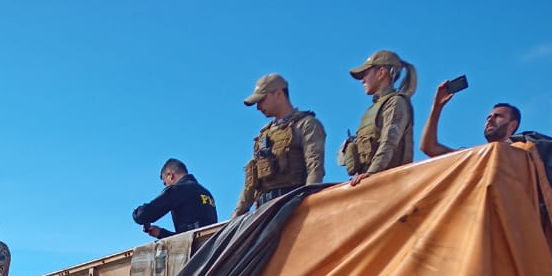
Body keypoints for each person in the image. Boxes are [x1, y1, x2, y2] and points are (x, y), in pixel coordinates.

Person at [234, 73, 327, 215]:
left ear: (278, 94)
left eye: (262, 100)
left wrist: (309, 205)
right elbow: (251, 184)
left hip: (292, 205)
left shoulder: (305, 124)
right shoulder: (263, 136)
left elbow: (314, 168)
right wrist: (236, 216)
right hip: (264, 211)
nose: (258, 107)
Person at [342, 50, 418, 186]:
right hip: (374, 184)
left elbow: (389, 143)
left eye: (365, 73)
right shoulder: (374, 109)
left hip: (391, 185)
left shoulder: (395, 103)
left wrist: (372, 174)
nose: (362, 80)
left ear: (381, 73)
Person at [420, 84, 521, 156]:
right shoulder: (472, 156)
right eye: (488, 117)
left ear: (513, 125)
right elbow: (429, 147)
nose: (490, 120)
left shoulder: (523, 156)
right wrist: (437, 107)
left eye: (498, 116)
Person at [132, 159, 217, 238]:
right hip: (210, 249)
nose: (167, 185)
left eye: (165, 183)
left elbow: (143, 215)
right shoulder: (206, 193)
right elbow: (190, 235)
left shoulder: (181, 189)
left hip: (197, 251)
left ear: (170, 175)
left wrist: (136, 213)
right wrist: (161, 233)